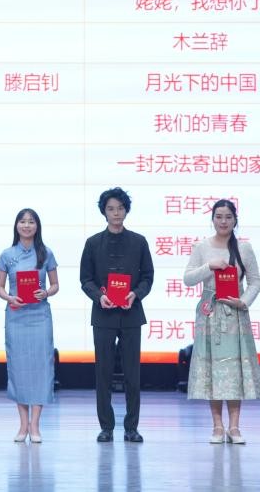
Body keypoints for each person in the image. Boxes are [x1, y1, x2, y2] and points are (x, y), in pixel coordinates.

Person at [183, 198, 260, 445]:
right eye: (219, 217)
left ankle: (235, 427)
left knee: (233, 369)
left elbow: (255, 282)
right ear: (212, 220)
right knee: (213, 368)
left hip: (235, 313)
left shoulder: (244, 248)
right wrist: (209, 266)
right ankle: (217, 426)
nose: (223, 221)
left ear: (235, 220)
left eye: (228, 217)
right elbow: (188, 279)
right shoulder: (202, 247)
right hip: (209, 313)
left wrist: (243, 301)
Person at [79, 186, 154, 443]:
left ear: (126, 210)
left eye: (120, 208)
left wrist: (135, 294)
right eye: (111, 209)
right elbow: (85, 279)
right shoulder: (93, 243)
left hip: (131, 314)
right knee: (103, 373)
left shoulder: (139, 242)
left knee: (133, 374)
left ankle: (131, 427)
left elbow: (147, 277)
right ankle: (106, 427)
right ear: (104, 212)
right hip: (104, 314)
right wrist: (99, 296)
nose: (116, 213)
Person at [0, 208, 60, 444]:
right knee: (19, 368)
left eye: (31, 222)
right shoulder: (7, 255)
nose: (26, 225)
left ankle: (35, 424)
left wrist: (46, 292)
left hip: (40, 316)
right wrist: (9, 297)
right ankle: (23, 424)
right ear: (16, 226)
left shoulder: (46, 253)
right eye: (22, 221)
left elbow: (55, 285)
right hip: (16, 316)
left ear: (37, 226)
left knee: (42, 367)